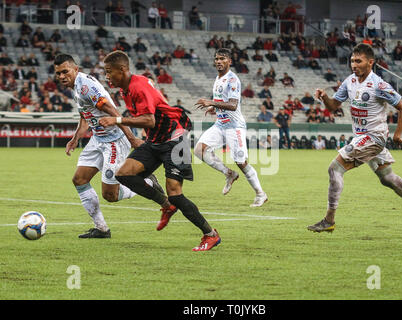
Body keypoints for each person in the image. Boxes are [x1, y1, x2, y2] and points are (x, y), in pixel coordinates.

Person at [100, 50, 220, 251]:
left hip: (175, 138)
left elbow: (150, 120)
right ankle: (166, 205)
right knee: (124, 173)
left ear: (122, 70)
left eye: (109, 71)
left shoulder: (138, 86)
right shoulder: (126, 89)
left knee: (176, 193)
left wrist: (116, 119)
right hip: (155, 140)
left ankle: (210, 235)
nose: (107, 76)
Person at [307, 43, 402, 234]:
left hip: (374, 137)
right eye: (352, 61)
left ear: (370, 62)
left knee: (335, 168)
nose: (354, 65)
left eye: (358, 61)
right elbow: (333, 106)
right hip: (363, 137)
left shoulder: (379, 85)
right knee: (387, 178)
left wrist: (397, 134)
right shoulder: (349, 82)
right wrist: (324, 97)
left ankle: (328, 220)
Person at [53, 53, 170, 238]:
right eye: (58, 73)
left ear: (76, 69)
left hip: (114, 140)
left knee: (110, 196)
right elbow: (85, 114)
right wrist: (76, 138)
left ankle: (146, 182)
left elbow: (112, 111)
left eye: (65, 71)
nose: (61, 76)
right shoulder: (76, 87)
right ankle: (101, 229)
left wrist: (131, 138)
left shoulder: (86, 87)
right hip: (98, 139)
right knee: (79, 180)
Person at [194, 48, 267, 207]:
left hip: (235, 127)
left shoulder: (233, 79)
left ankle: (261, 194)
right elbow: (223, 101)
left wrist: (211, 102)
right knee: (199, 150)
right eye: (216, 59)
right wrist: (214, 108)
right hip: (220, 124)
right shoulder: (218, 78)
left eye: (222, 58)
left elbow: (233, 105)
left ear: (229, 61)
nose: (218, 61)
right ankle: (229, 174)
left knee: (241, 162)